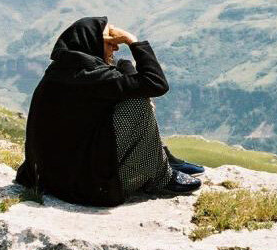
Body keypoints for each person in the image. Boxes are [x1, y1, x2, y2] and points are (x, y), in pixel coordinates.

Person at [16, 16, 205, 207]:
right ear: (93, 43)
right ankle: (162, 176)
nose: (115, 47)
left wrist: (123, 64)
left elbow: (129, 83)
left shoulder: (63, 71)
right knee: (137, 103)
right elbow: (156, 84)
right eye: (109, 42)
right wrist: (133, 40)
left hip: (52, 180)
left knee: (129, 85)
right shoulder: (93, 78)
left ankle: (162, 158)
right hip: (87, 190)